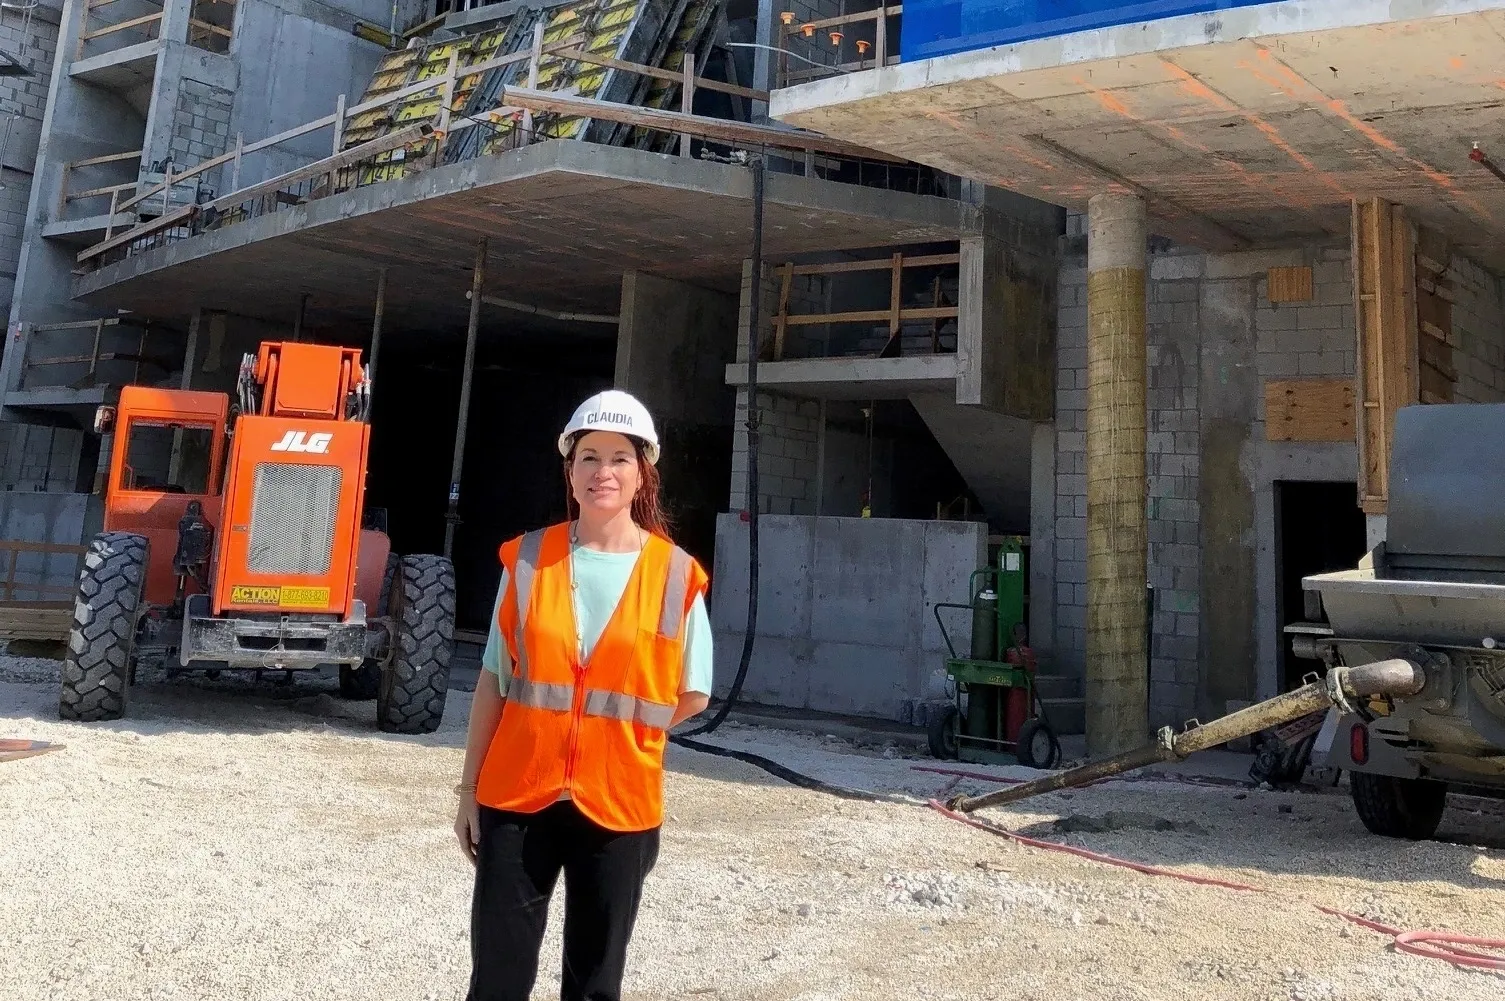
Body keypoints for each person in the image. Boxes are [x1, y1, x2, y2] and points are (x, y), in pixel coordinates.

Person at [453, 389, 713, 1001]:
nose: (603, 471)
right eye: (589, 456)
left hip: (620, 804)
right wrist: (468, 791)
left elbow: (692, 693)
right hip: (517, 795)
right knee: (497, 979)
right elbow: (494, 679)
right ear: (569, 469)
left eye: (620, 458)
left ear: (642, 471)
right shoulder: (527, 560)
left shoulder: (675, 573)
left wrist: (617, 740)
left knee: (596, 984)